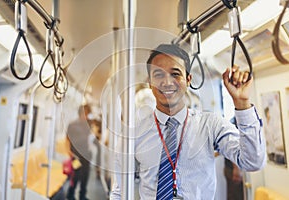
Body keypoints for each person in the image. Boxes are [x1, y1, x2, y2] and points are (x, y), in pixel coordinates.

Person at [110, 43, 266, 200]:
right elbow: (119, 191)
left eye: (175, 74)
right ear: (150, 82)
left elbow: (253, 161)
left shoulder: (210, 125)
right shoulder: (133, 133)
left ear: (188, 79)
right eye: (158, 75)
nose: (167, 82)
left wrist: (242, 103)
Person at [66, 104, 92, 200]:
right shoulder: (72, 125)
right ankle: (70, 194)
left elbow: (91, 137)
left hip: (86, 155)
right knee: (76, 175)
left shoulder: (88, 124)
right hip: (76, 155)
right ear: (80, 113)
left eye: (87, 113)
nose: (86, 115)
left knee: (85, 175)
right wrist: (69, 152)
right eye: (84, 113)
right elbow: (67, 139)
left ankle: (82, 195)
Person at [224, 117, 244, 200]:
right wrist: (236, 168)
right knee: (235, 196)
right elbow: (232, 146)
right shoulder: (235, 122)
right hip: (233, 168)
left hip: (233, 167)